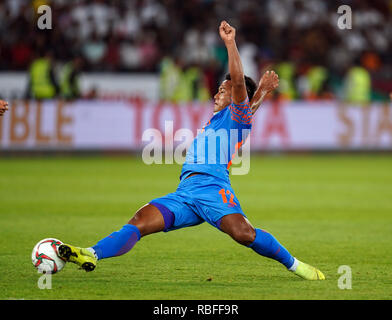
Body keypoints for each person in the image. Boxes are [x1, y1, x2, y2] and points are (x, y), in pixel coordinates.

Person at [58, 21, 325, 281]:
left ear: (236, 96)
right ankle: (91, 253)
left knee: (244, 234)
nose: (216, 94)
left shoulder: (237, 116)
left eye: (223, 89)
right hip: (185, 193)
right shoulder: (224, 120)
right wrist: (263, 93)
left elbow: (240, 87)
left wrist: (230, 44)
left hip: (212, 188)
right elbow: (245, 103)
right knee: (139, 221)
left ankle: (295, 265)